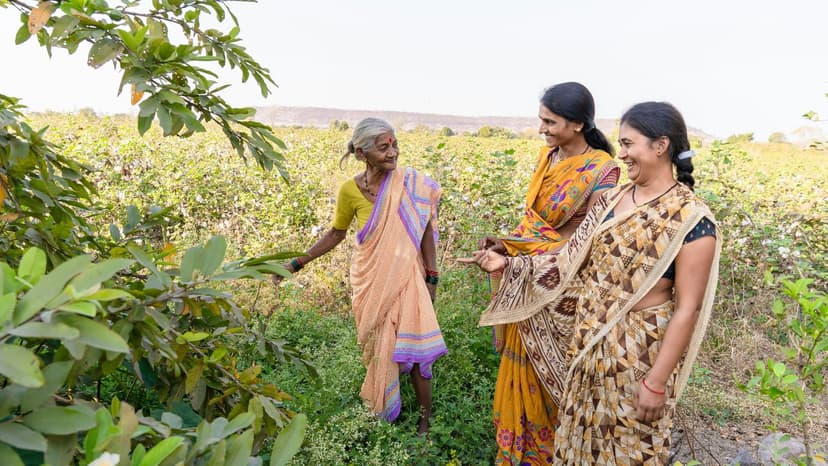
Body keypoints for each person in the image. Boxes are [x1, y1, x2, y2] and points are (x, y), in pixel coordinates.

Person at [461, 102, 720, 465]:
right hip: (586, 346)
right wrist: (508, 264)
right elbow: (568, 262)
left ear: (660, 146)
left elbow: (687, 309)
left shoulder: (692, 219)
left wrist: (657, 382)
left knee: (629, 448)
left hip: (638, 356)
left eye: (629, 144)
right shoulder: (613, 200)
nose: (622, 154)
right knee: (578, 441)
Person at [274, 118, 447, 434]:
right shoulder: (350, 190)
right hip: (371, 281)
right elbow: (335, 234)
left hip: (408, 278)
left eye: (394, 144)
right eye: (383, 147)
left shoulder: (412, 185)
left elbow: (423, 232)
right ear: (361, 153)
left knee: (418, 351)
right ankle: (384, 411)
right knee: (380, 347)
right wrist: (296, 264)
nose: (392, 152)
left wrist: (432, 278)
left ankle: (424, 425)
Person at [477, 82, 619, 464]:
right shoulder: (549, 158)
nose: (542, 128)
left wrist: (520, 262)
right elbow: (536, 226)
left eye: (549, 121)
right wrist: (508, 246)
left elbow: (584, 240)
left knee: (553, 380)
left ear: (576, 124)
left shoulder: (604, 172)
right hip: (526, 274)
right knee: (520, 374)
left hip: (561, 288)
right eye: (541, 119)